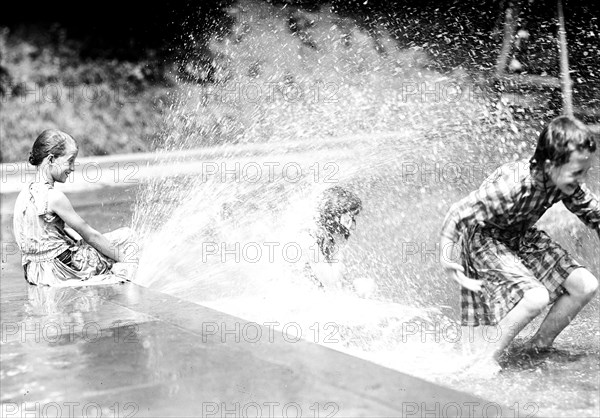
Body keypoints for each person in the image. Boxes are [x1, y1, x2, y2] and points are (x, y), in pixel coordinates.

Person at [440, 115, 599, 374]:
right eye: (576, 173)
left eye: (584, 172)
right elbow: (457, 213)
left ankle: (538, 346)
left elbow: (596, 215)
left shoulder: (564, 183)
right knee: (536, 297)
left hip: (520, 235)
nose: (581, 180)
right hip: (485, 237)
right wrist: (447, 258)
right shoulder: (513, 185)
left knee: (585, 285)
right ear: (550, 165)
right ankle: (484, 359)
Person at [12, 129, 137, 287]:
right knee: (127, 237)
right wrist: (126, 259)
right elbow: (91, 236)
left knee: (88, 244)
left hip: (34, 272)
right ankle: (125, 280)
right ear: (51, 159)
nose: (72, 168)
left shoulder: (23, 194)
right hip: (60, 271)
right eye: (70, 161)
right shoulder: (54, 197)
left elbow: (46, 233)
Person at [304, 185, 375, 295]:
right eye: (350, 217)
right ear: (335, 215)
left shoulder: (325, 237)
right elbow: (332, 286)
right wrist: (339, 246)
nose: (352, 225)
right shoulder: (308, 238)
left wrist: (352, 288)